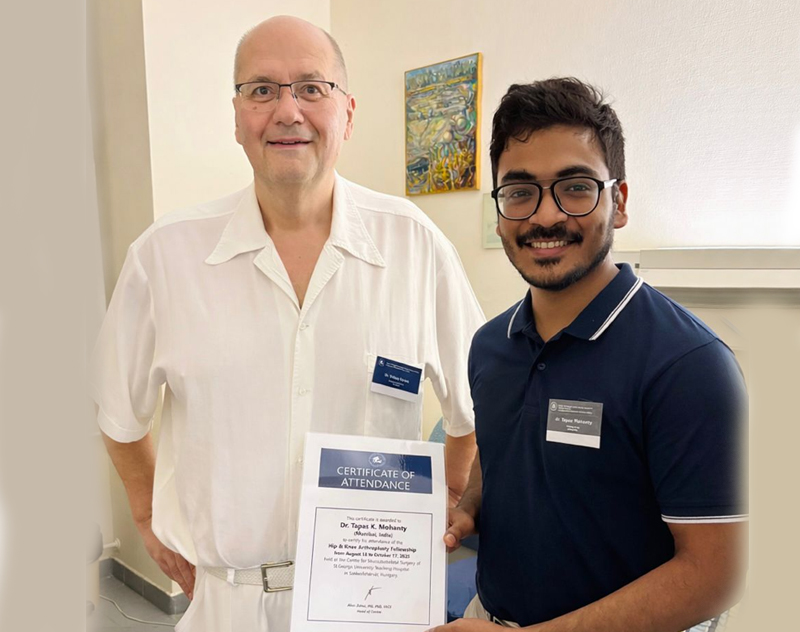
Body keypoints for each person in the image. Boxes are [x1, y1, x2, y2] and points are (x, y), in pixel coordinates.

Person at [90, 16, 483, 632]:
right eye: (262, 90)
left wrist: (449, 495)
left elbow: (476, 405)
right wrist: (145, 514)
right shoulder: (164, 258)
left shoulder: (415, 246)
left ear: (347, 113)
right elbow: (119, 413)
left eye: (311, 88)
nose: (287, 111)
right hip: (227, 607)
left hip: (373, 602)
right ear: (237, 117)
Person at [437, 78, 747, 631]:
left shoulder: (689, 366)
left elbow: (716, 575)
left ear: (618, 202)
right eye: (520, 191)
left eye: (576, 187)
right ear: (499, 209)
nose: (545, 217)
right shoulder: (489, 346)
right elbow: (501, 447)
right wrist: (472, 505)